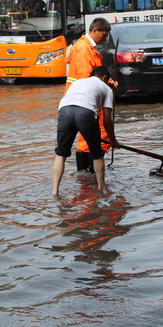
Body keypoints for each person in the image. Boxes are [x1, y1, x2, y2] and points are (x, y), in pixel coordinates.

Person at [52, 66, 120, 195]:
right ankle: (101, 189)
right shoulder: (106, 88)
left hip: (64, 111)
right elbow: (107, 121)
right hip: (85, 112)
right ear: (105, 78)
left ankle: (55, 192)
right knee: (97, 154)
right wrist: (113, 141)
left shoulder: (77, 82)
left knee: (61, 153)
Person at [65, 17, 113, 172]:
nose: (104, 39)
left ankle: (88, 174)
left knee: (88, 135)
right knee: (95, 134)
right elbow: (88, 77)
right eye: (103, 35)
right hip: (86, 99)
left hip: (80, 100)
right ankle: (90, 171)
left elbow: (95, 74)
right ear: (94, 30)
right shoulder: (84, 49)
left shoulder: (87, 48)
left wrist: (109, 81)